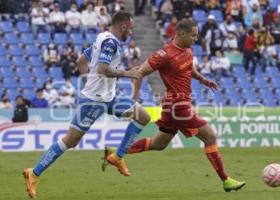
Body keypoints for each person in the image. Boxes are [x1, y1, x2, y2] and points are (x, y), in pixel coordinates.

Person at [103, 19, 246, 192]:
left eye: (197, 35)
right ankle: (226, 180)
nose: (196, 38)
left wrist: (203, 79)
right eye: (193, 35)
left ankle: (117, 152)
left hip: (175, 105)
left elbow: (189, 68)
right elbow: (139, 72)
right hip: (178, 106)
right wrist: (134, 97)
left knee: (159, 143)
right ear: (181, 34)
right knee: (210, 137)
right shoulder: (164, 54)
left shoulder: (187, 50)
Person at [23, 11, 150, 199]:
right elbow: (103, 69)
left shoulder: (101, 38)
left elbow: (81, 61)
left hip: (108, 97)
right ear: (123, 27)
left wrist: (88, 83)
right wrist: (128, 73)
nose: (130, 32)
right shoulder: (110, 42)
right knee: (71, 141)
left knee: (143, 116)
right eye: (130, 28)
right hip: (94, 101)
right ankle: (34, 173)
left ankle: (118, 156)